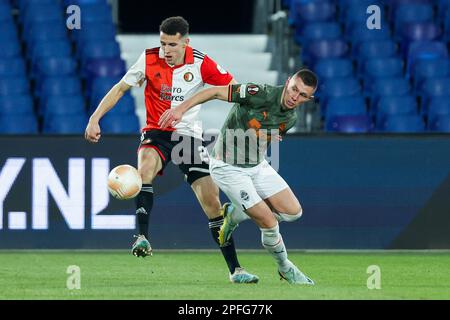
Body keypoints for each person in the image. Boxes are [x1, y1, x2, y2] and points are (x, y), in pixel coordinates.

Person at [84, 16, 259, 284]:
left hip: (189, 136)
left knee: (212, 203)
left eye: (173, 45)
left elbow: (233, 90)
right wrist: (95, 118)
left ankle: (235, 270)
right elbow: (120, 89)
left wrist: (253, 125)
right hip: (156, 132)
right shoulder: (148, 58)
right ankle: (142, 237)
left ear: (186, 42)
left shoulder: (202, 63)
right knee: (144, 169)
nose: (166, 50)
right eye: (163, 43)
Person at [158, 69, 318, 284]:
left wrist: (263, 136)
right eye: (293, 90)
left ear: (309, 99)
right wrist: (180, 109)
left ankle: (234, 215)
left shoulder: (290, 117)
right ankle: (285, 268)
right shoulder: (258, 93)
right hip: (227, 167)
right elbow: (214, 91)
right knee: (269, 223)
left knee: (293, 213)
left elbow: (263, 138)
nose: (294, 97)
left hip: (257, 165)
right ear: (287, 82)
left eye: (302, 96)